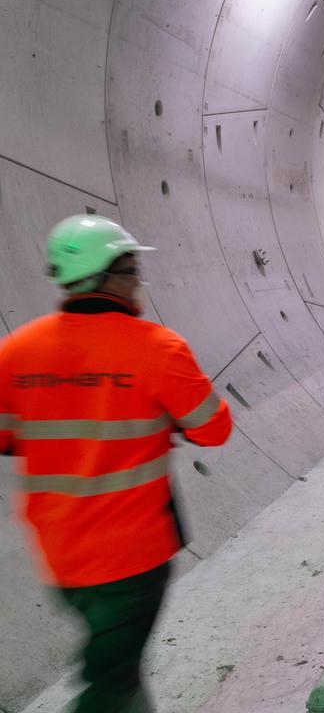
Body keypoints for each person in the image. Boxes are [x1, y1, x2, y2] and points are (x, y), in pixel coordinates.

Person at [0, 215, 233, 713]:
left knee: (118, 669)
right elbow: (214, 428)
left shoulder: (17, 351)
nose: (138, 282)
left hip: (61, 554)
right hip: (133, 558)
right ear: (113, 275)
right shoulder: (157, 348)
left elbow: (7, 436)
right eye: (133, 270)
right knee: (110, 685)